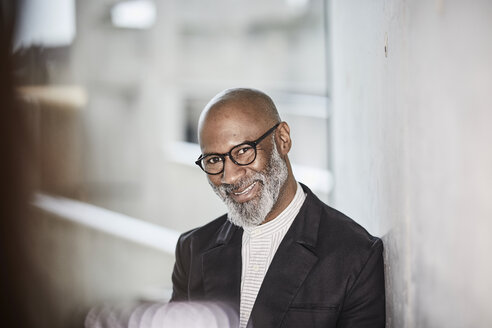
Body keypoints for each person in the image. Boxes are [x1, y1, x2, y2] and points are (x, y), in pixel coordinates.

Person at [171, 88, 385, 328]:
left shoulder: (356, 256)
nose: (228, 177)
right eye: (213, 160)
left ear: (282, 139)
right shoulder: (192, 249)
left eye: (243, 151)